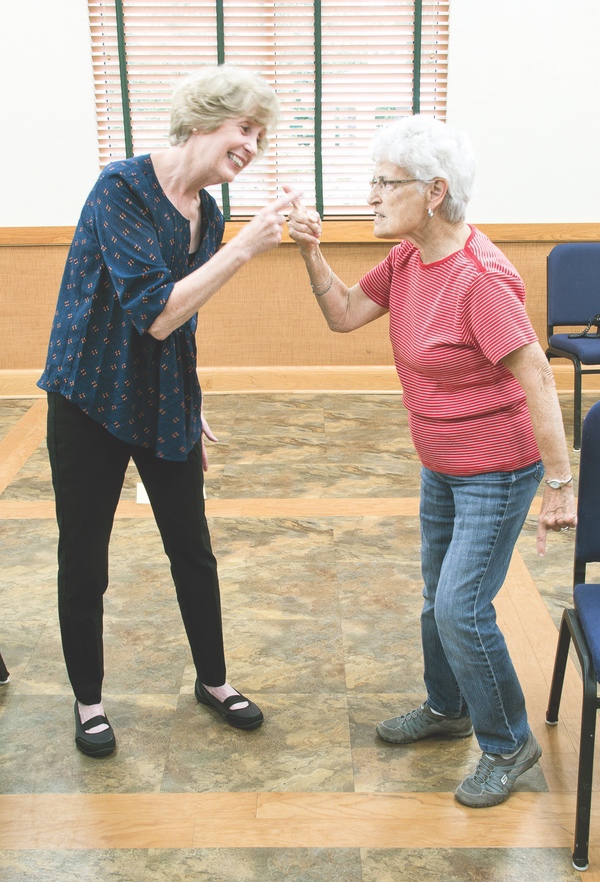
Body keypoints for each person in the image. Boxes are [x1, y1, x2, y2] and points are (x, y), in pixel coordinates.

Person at [285, 115, 577, 808]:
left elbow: (536, 374)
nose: (372, 196)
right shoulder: (411, 258)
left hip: (498, 473)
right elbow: (346, 314)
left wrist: (561, 485)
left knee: (460, 607)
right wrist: (310, 251)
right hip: (441, 463)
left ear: (435, 191)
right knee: (434, 601)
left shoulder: (480, 279)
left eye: (386, 183)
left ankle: (509, 742)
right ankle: (447, 710)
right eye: (374, 182)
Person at [38, 64, 300, 757]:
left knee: (193, 546)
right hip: (88, 397)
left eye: (261, 137)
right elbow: (154, 311)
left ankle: (213, 681)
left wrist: (193, 399)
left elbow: (182, 321)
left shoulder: (206, 214)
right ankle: (89, 703)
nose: (252, 145)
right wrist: (247, 247)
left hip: (159, 398)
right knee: (84, 560)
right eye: (246, 128)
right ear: (206, 116)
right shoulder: (120, 187)